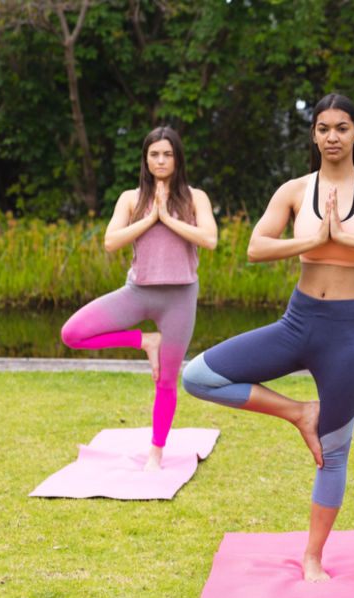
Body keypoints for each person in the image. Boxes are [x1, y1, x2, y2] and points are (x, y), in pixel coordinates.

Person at [181, 93, 354, 582]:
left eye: (342, 128)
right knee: (198, 376)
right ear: (314, 134)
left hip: (348, 331)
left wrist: (346, 238)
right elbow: (256, 247)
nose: (333, 137)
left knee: (334, 451)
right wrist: (311, 240)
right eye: (324, 128)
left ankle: (313, 556)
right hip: (298, 322)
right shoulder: (293, 190)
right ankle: (298, 412)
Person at [61, 126, 217, 472]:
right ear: (145, 160)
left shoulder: (195, 198)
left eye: (167, 154)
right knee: (72, 334)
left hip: (180, 298)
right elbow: (110, 241)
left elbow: (209, 239)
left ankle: (156, 453)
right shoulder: (130, 198)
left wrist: (168, 219)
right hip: (137, 292)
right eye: (154, 154)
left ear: (177, 159)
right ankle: (146, 340)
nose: (161, 160)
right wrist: (150, 218)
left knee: (166, 381)